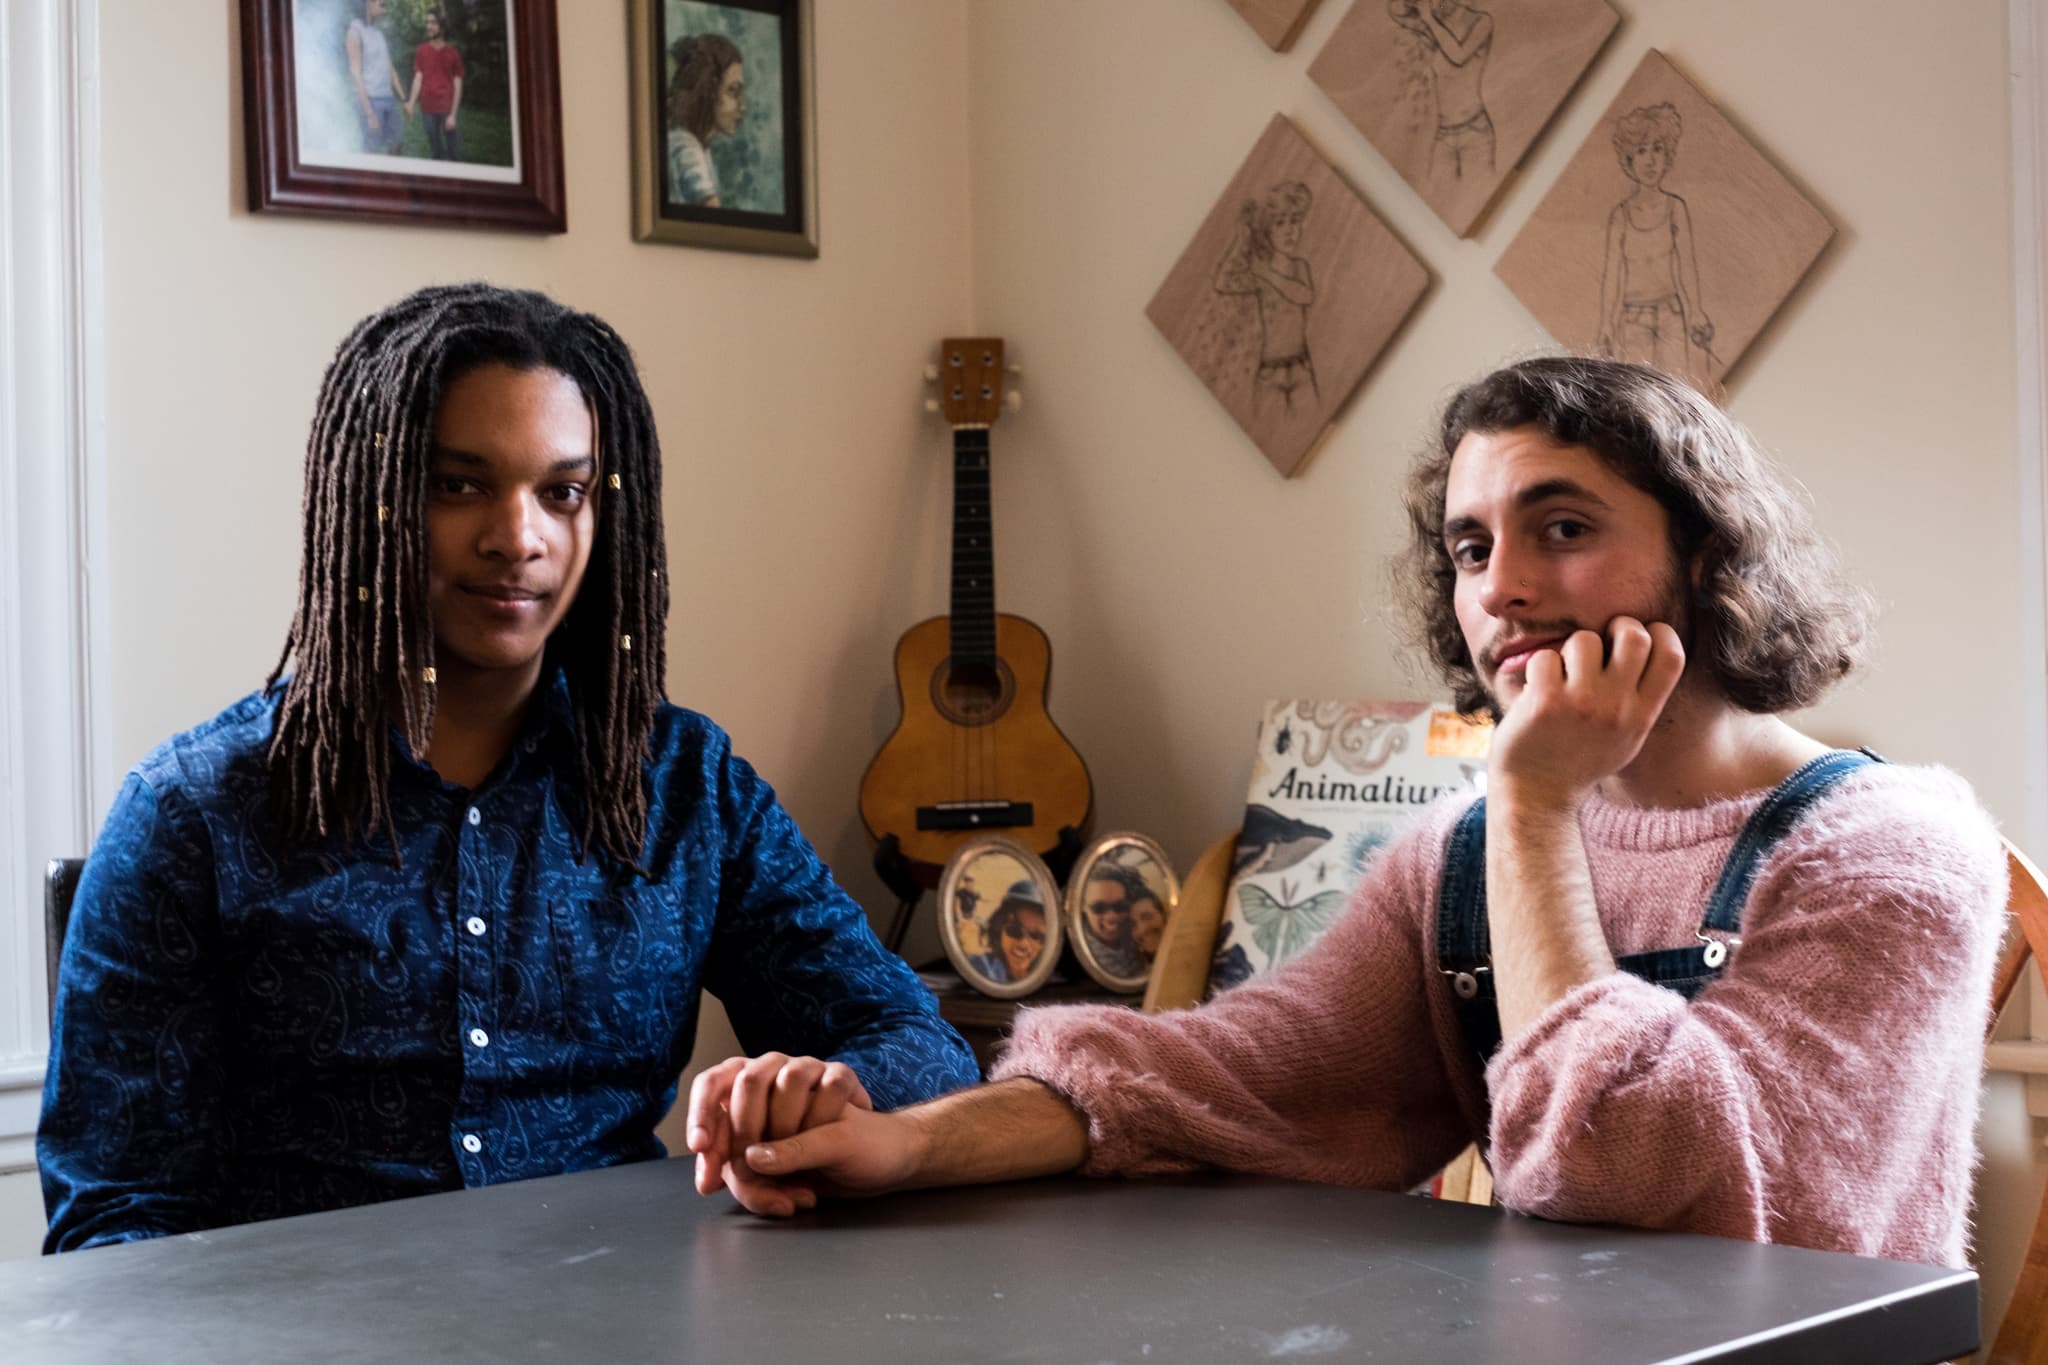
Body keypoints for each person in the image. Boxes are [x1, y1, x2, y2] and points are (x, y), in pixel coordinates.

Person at [685, 356, 2006, 1273]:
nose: (1502, 590)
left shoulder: (1890, 847)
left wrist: (1536, 799)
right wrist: (900, 1144)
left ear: (1706, 557)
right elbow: (1225, 1078)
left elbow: (1627, 1174)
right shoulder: (1464, 852)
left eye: (1562, 527)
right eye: (1472, 547)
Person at [38, 284, 978, 1252]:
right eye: (459, 485)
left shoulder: (686, 785)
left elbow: (922, 1045)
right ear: (371, 503)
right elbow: (116, 1218)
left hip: (627, 1321)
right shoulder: (193, 811)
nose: (518, 538)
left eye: (562, 493)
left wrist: (824, 1089)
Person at [1597, 103, 1714, 380]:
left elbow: (1686, 264)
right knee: (1638, 398)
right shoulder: (1621, 216)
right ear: (1629, 159)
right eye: (1641, 151)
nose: (1650, 160)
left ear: (1668, 155)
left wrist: (1695, 311)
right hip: (1632, 320)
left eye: (1657, 149)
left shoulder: (1676, 208)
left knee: (1677, 390)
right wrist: (1607, 325)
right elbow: (1614, 274)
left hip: (1671, 315)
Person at [1212, 181, 1318, 417]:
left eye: (1295, 221)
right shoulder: (1259, 273)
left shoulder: (1298, 267)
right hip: (1269, 371)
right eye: (1280, 223)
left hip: (1301, 365)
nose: (1290, 230)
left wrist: (1267, 274)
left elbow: (1304, 295)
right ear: (1267, 231)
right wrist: (1242, 239)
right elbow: (1222, 282)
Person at [1390, 0, 1495, 184]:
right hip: (1444, 133)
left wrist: (1429, 18)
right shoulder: (1437, 25)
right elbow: (1395, 10)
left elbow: (1458, 56)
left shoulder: (1482, 21)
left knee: (1479, 188)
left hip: (1475, 130)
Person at [666, 32, 746, 208]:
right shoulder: (686, 147)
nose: (742, 106)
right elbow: (712, 218)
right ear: (708, 91)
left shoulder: (697, 145)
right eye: (733, 91)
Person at [346, 0, 408, 157]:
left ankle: (392, 177)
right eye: (382, 3)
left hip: (388, 98)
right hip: (371, 101)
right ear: (368, 3)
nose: (385, 5)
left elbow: (390, 68)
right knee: (371, 151)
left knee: (397, 142)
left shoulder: (379, 34)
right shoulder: (354, 32)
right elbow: (355, 74)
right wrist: (369, 113)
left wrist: (404, 99)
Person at [405, 9, 465, 162]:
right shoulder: (421, 51)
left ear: (442, 26)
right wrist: (411, 102)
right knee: (436, 150)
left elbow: (458, 85)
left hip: (446, 109)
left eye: (433, 23)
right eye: (427, 23)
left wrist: (453, 114)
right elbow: (418, 77)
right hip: (427, 110)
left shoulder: (453, 53)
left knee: (454, 153)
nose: (428, 26)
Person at [962, 882, 1049, 986]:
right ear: (999, 927)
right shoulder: (979, 969)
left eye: (1036, 936)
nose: (1023, 944)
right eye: (1014, 930)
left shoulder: (1051, 979)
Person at [1076, 865, 1145, 980]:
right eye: (1099, 907)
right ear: (1083, 908)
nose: (1111, 916)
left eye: (1120, 906)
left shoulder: (1140, 939)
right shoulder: (1078, 959)